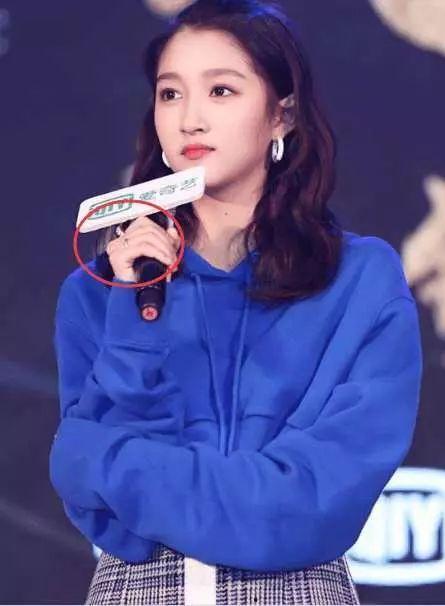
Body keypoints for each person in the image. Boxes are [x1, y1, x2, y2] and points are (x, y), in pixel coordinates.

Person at [49, 0, 423, 604]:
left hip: (297, 591)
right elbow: (97, 506)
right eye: (170, 94)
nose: (190, 119)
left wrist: (124, 470)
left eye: (220, 90)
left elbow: (312, 502)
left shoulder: (360, 281)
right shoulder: (97, 291)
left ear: (282, 114)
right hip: (138, 590)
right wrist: (136, 313)